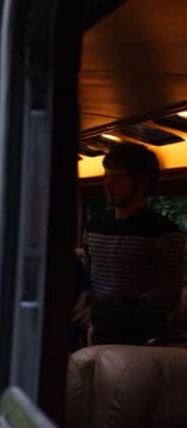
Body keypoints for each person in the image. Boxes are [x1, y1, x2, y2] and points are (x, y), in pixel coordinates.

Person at [76, 143, 184, 345]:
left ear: (142, 184)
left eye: (117, 179)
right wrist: (82, 302)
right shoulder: (94, 226)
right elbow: (89, 275)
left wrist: (106, 312)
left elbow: (168, 297)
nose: (107, 185)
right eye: (106, 177)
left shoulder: (164, 232)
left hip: (139, 337)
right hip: (94, 328)